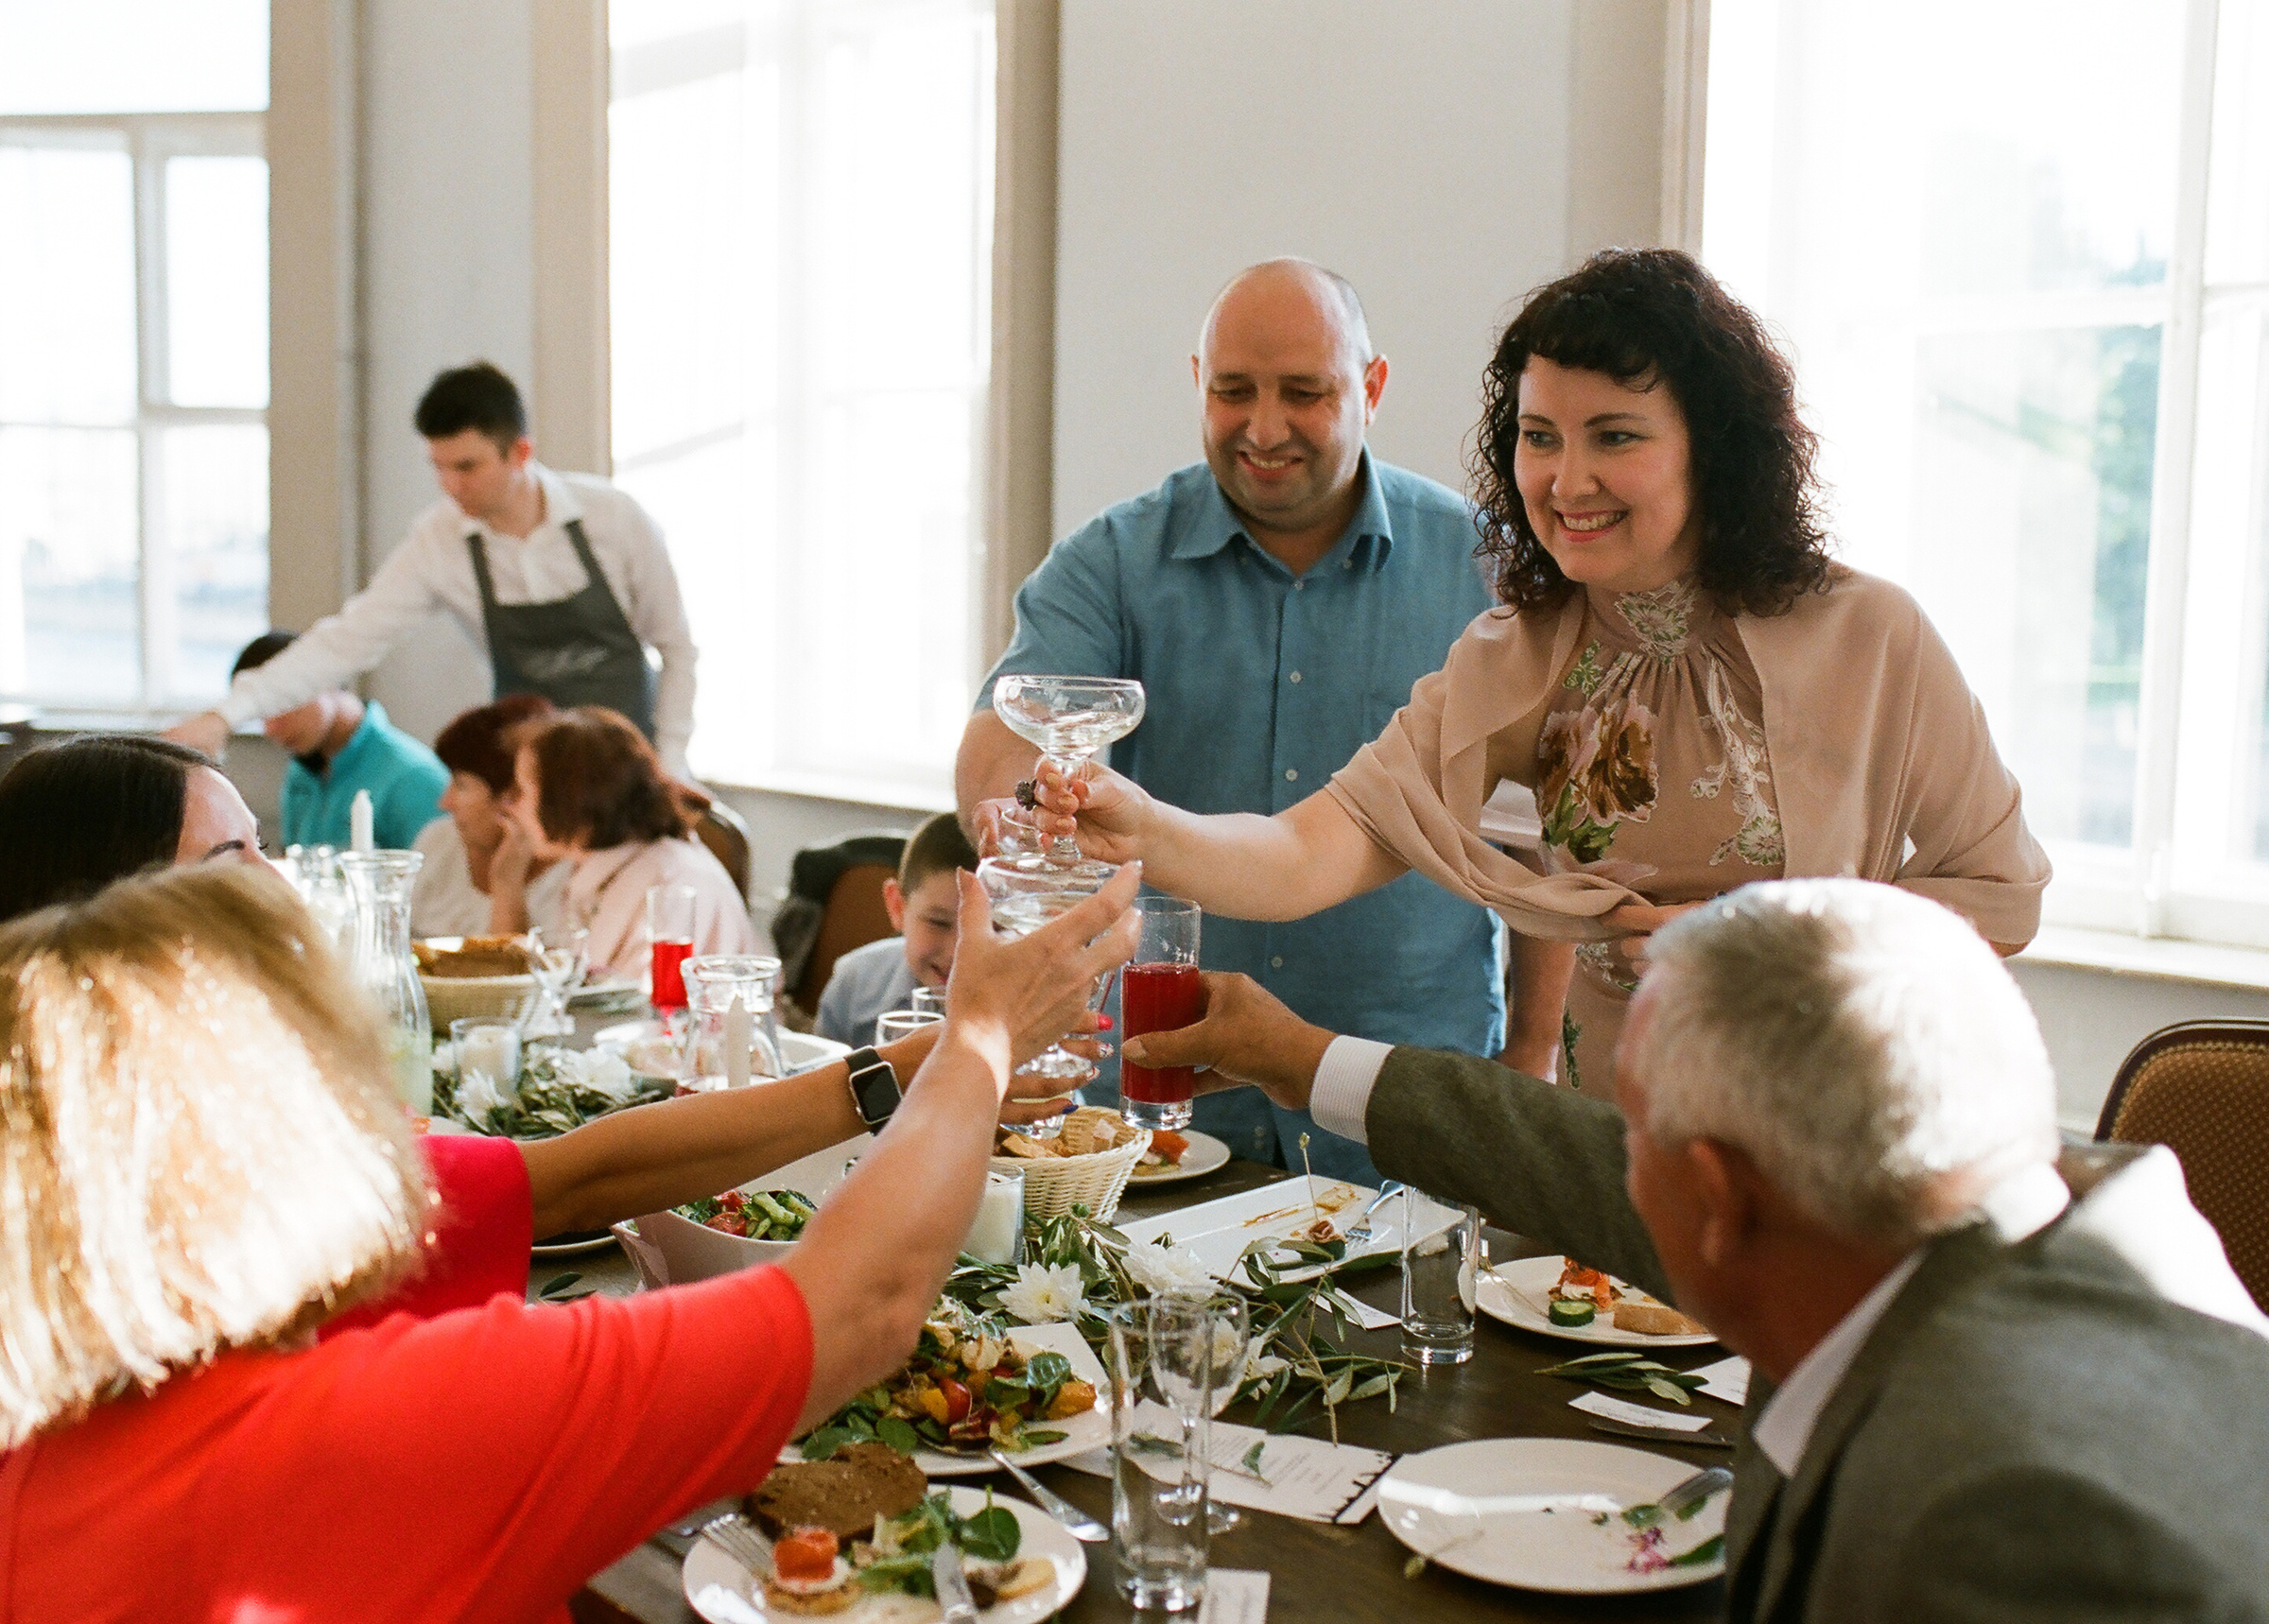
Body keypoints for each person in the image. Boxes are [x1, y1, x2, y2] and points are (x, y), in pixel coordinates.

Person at [0, 734, 1087, 1623]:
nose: (282, 884)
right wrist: (976, 1039)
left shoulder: (47, 1409)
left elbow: (560, 1177)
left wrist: (902, 1068)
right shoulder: (390, 1423)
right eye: (238, 858)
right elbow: (858, 1307)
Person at [1034, 248, 2050, 1098]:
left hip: (1826, 1138)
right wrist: (1144, 823)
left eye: (1615, 437)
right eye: (1538, 437)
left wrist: (1775, 947)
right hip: (1604, 1162)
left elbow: (2001, 895)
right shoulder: (1516, 654)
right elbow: (1307, 852)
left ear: (1714, 449)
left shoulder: (1870, 635)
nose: (1566, 481)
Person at [1125, 879, 2269, 1614]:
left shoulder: (2009, 1531)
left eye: (1640, 1139)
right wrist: (1301, 1055)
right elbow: (1577, 1163)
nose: (1618, 1164)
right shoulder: (1992, 1205)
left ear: (1719, 1196)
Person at [956, 258, 1544, 1179]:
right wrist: (1015, 809)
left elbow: (1541, 842)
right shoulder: (1115, 558)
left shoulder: (1484, 573)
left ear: (1372, 388)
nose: (1263, 428)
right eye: (1233, 391)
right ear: (1198, 382)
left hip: (1409, 1096)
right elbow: (1011, 733)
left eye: (1303, 393)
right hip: (1160, 1100)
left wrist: (1532, 1059)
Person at [166, 362, 700, 776]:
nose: (451, 485)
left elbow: (676, 646)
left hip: (639, 766)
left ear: (520, 452)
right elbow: (345, 642)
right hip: (531, 777)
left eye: (467, 466)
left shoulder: (616, 519)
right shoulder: (438, 542)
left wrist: (671, 759)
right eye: (439, 467)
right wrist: (226, 715)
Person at [511, 705, 758, 976]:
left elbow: (655, 1008)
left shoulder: (675, 881)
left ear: (569, 800)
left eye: (523, 790)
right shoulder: (596, 871)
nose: (513, 806)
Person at [232, 631, 449, 852]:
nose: (270, 728)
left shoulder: (414, 780)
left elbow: (435, 883)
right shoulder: (302, 771)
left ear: (328, 679)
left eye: (281, 705)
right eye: (260, 715)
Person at [409, 693, 573, 939]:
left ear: (516, 795)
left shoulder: (569, 878)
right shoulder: (438, 841)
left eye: (461, 785)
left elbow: (520, 974)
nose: (445, 802)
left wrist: (507, 883)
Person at [813, 812, 977, 1046]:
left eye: (990, 927)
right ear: (897, 906)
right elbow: (821, 1078)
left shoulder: (1034, 1004)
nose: (956, 953)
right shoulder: (854, 986)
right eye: (938, 923)